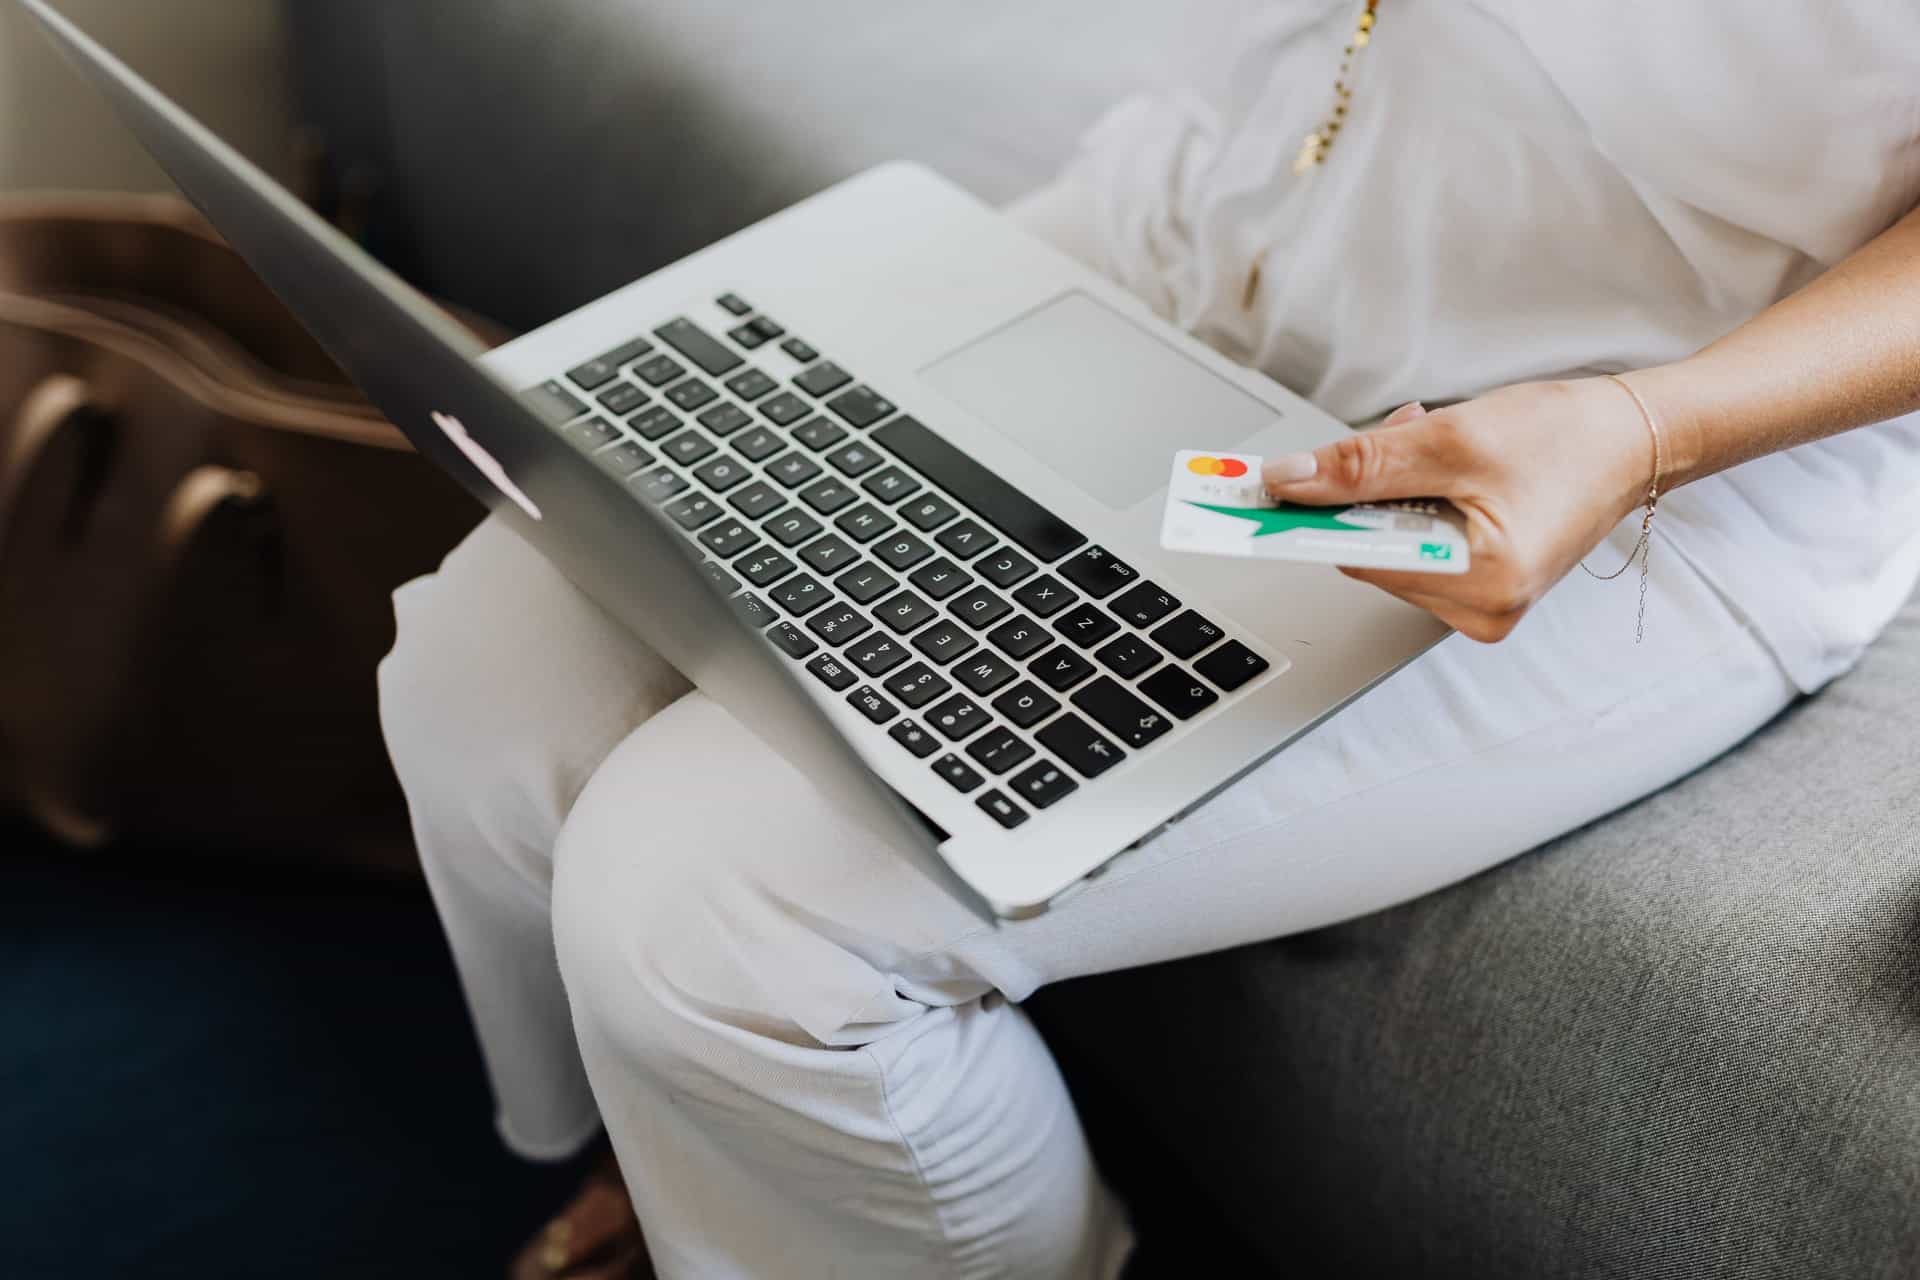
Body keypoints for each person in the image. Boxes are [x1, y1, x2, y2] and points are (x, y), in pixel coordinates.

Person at [378, 6, 1920, 1277]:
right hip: (1181, 230)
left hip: (1606, 436)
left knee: (714, 917)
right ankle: (700, 1180)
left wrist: (1652, 427)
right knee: (484, 680)